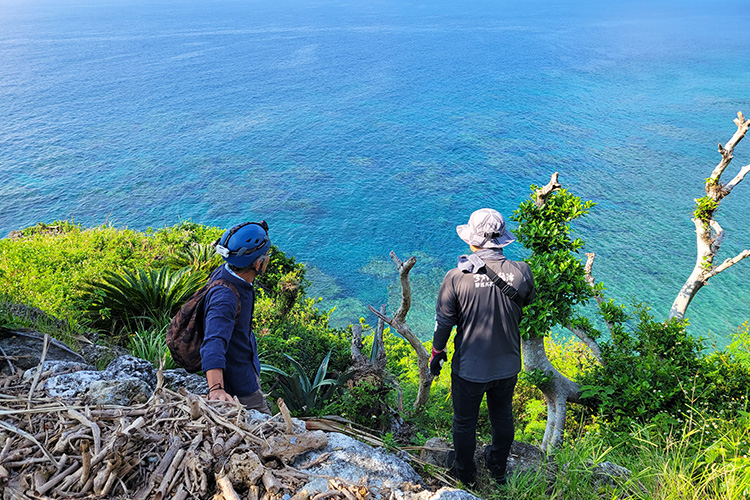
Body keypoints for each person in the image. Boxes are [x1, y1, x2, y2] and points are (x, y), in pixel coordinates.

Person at [431, 208, 536, 486]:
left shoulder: (456, 277)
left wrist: (437, 354)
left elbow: (444, 323)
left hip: (470, 367)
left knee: (464, 422)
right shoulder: (522, 271)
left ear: (473, 240)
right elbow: (526, 301)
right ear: (502, 240)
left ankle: (465, 474)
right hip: (508, 364)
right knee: (502, 416)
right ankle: (497, 468)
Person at [201, 221, 272, 414]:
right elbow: (213, 341)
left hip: (244, 369)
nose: (268, 260)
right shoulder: (226, 297)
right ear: (258, 264)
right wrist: (216, 389)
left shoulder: (227, 273)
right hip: (241, 385)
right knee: (268, 425)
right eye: (267, 257)